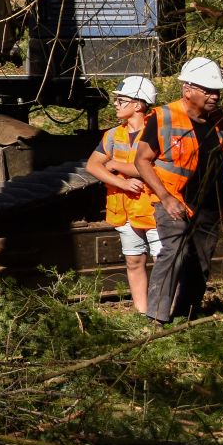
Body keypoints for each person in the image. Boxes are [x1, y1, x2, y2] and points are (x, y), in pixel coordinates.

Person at [136, 57, 223, 324]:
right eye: (209, 90)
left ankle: (186, 316)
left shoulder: (221, 120)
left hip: (209, 203)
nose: (215, 96)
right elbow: (142, 160)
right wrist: (166, 198)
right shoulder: (163, 117)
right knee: (175, 250)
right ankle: (156, 318)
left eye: (217, 91)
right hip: (173, 198)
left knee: (200, 262)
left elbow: (222, 162)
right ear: (187, 89)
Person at [81, 75, 159, 314]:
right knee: (134, 261)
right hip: (125, 211)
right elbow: (93, 166)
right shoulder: (113, 135)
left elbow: (147, 168)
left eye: (121, 99)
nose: (115, 103)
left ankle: (164, 312)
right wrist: (121, 183)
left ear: (138, 104)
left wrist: (115, 164)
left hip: (154, 209)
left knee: (163, 262)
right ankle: (143, 313)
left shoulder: (157, 131)